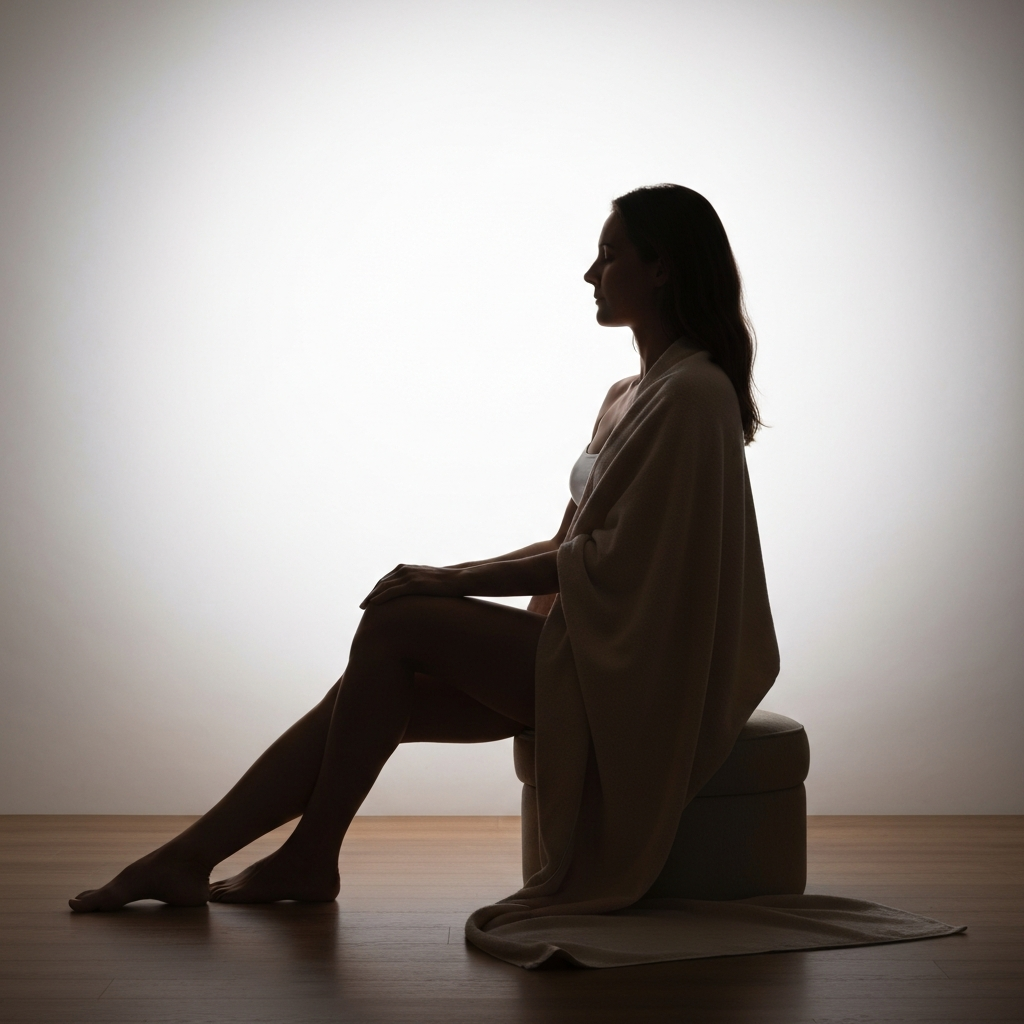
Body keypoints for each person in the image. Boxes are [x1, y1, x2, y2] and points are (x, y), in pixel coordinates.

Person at [68, 183, 765, 914]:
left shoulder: (693, 395)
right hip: (580, 647)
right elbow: (572, 543)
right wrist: (454, 584)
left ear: (662, 269)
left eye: (610, 255)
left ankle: (296, 857)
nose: (591, 274)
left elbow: (625, 565)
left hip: (631, 676)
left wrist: (449, 581)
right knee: (369, 690)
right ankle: (201, 858)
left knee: (398, 621)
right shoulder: (631, 391)